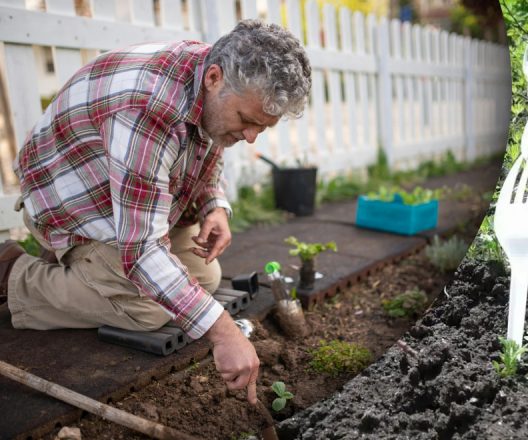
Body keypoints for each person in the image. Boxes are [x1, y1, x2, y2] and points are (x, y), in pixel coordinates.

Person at [0, 19, 311, 404]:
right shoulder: (147, 109)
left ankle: (85, 273)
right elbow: (142, 251)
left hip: (125, 199)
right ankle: (14, 272)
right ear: (214, 78)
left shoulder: (211, 78)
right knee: (145, 310)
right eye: (247, 121)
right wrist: (223, 332)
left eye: (261, 128)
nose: (250, 137)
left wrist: (214, 204)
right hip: (72, 204)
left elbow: (210, 141)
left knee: (205, 275)